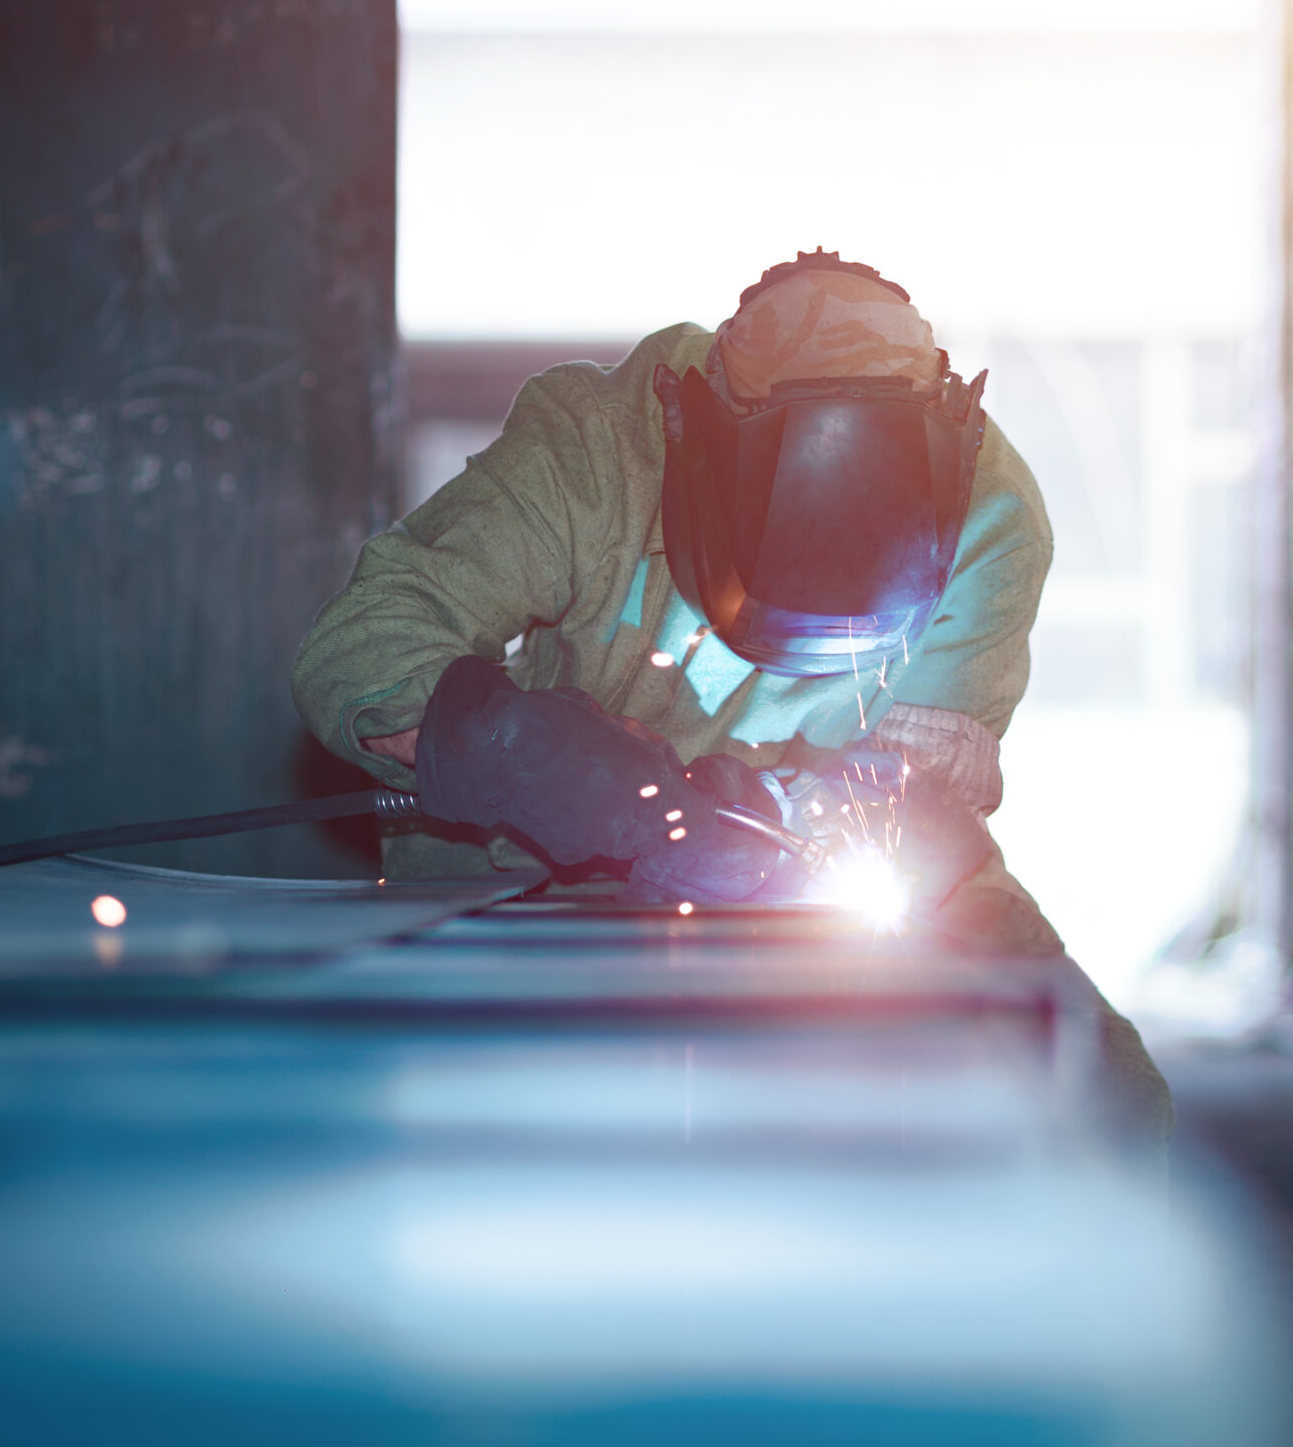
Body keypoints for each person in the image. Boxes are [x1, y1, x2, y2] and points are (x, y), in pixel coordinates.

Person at [292, 250, 1169, 1137]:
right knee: (552, 1113)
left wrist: (795, 817)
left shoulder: (990, 514)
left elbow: (920, 806)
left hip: (820, 871)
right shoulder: (599, 445)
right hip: (540, 864)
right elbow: (362, 648)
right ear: (700, 451)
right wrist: (543, 762)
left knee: (1105, 1092)